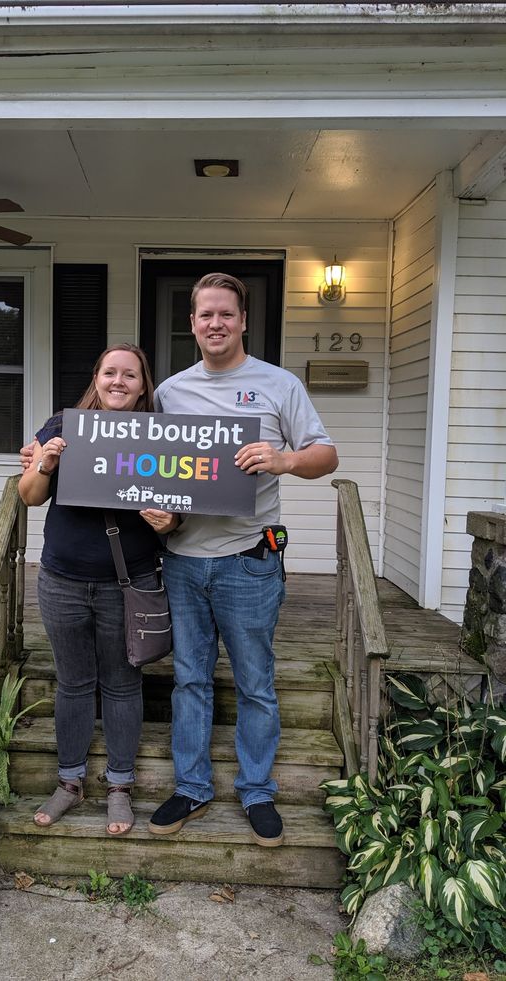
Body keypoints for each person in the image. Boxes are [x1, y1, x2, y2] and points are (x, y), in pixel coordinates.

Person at [146, 272, 338, 847]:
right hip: (181, 558)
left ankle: (256, 791)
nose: (215, 324)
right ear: (192, 323)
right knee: (189, 681)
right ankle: (191, 786)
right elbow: (143, 461)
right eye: (205, 314)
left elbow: (325, 455)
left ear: (243, 321)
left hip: (249, 559)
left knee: (256, 682)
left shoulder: (279, 385)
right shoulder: (170, 392)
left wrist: (281, 461)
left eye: (226, 314)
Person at [18, 343, 177, 836]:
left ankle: (120, 787)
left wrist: (168, 521)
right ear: (97, 376)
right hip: (62, 578)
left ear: (143, 385)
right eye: (111, 372)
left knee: (123, 684)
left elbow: (177, 512)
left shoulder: (161, 437)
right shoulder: (64, 427)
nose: (119, 382)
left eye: (130, 375)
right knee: (73, 683)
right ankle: (69, 783)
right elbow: (28, 496)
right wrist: (44, 461)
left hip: (127, 583)